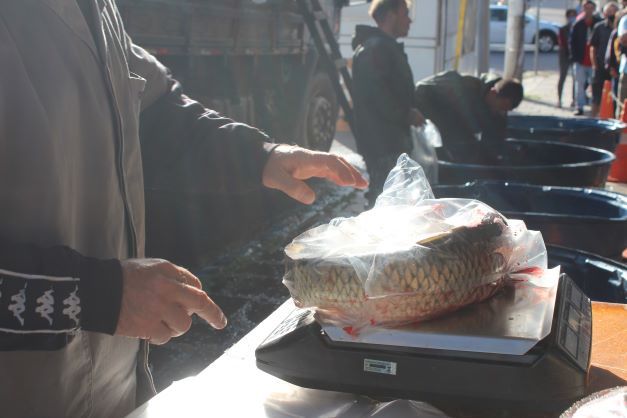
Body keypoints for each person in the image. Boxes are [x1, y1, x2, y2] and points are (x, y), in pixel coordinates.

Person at [0, 1, 368, 417]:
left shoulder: (100, 12)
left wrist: (262, 156)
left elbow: (162, 117)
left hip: (115, 391)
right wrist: (98, 296)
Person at [351, 0, 424, 207]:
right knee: (384, 202)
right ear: (391, 15)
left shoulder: (382, 46)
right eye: (405, 14)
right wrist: (407, 114)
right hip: (383, 143)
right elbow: (378, 97)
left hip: (389, 141)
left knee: (392, 200)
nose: (409, 20)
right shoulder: (376, 48)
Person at [414, 71, 523, 161]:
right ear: (493, 92)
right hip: (427, 115)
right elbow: (421, 89)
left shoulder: (498, 110)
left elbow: (495, 141)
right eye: (502, 107)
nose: (501, 112)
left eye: (506, 110)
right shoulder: (463, 87)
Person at [570, 1, 602, 116]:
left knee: (595, 85)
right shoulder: (578, 24)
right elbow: (572, 42)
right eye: (586, 7)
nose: (588, 10)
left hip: (594, 61)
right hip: (580, 60)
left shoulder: (598, 23)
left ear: (594, 9)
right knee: (579, 85)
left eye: (590, 8)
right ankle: (580, 106)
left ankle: (594, 106)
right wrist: (574, 57)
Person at [590, 2, 619, 116]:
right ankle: (593, 120)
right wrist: (595, 65)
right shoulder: (599, 27)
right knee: (597, 96)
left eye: (613, 12)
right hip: (600, 67)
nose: (611, 14)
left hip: (615, 69)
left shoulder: (620, 28)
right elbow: (593, 47)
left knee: (613, 98)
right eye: (609, 12)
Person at [558, 9, 578, 108]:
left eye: (574, 15)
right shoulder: (563, 29)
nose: (572, 18)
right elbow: (561, 43)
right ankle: (559, 99)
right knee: (563, 77)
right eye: (570, 16)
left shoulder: (578, 27)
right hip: (564, 56)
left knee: (575, 79)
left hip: (574, 56)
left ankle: (574, 100)